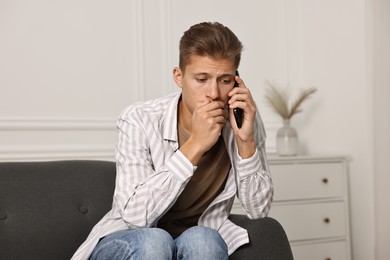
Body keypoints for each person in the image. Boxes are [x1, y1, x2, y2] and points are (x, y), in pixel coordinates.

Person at [71, 21, 273, 260]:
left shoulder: (243, 121)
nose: (214, 93)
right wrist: (195, 144)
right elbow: (135, 217)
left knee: (205, 240)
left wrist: (245, 141)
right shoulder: (139, 118)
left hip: (193, 240)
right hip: (130, 241)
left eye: (225, 80)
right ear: (179, 76)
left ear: (237, 81)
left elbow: (258, 209)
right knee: (155, 241)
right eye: (201, 79)